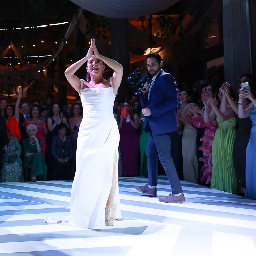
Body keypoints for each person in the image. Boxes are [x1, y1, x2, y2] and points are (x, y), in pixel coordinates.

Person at [62, 38, 123, 228]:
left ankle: (106, 212)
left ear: (103, 67)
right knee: (84, 171)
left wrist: (99, 55)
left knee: (106, 172)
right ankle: (84, 211)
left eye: (98, 63)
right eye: (92, 63)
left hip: (107, 130)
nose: (94, 64)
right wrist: (87, 57)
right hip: (88, 132)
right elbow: (67, 73)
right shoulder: (81, 85)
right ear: (87, 68)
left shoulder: (111, 83)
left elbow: (120, 68)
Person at [135, 53, 185, 203]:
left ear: (161, 64)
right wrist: (144, 94)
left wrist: (153, 112)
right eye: (148, 65)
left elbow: (172, 102)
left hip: (161, 126)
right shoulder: (153, 80)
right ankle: (151, 187)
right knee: (150, 153)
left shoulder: (166, 78)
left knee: (165, 157)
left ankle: (178, 194)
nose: (150, 68)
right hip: (154, 125)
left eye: (153, 65)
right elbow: (151, 103)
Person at [237, 78, 256, 199]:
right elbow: (241, 115)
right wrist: (241, 100)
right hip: (253, 138)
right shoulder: (252, 104)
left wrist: (252, 98)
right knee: (251, 166)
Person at [118, 102, 140, 177]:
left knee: (132, 155)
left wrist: (130, 119)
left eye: (127, 105)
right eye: (123, 105)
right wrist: (121, 120)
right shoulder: (119, 116)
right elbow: (118, 129)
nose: (125, 107)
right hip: (123, 138)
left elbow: (136, 127)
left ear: (130, 107)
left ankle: (133, 173)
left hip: (132, 138)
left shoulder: (134, 115)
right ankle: (124, 173)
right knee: (124, 156)